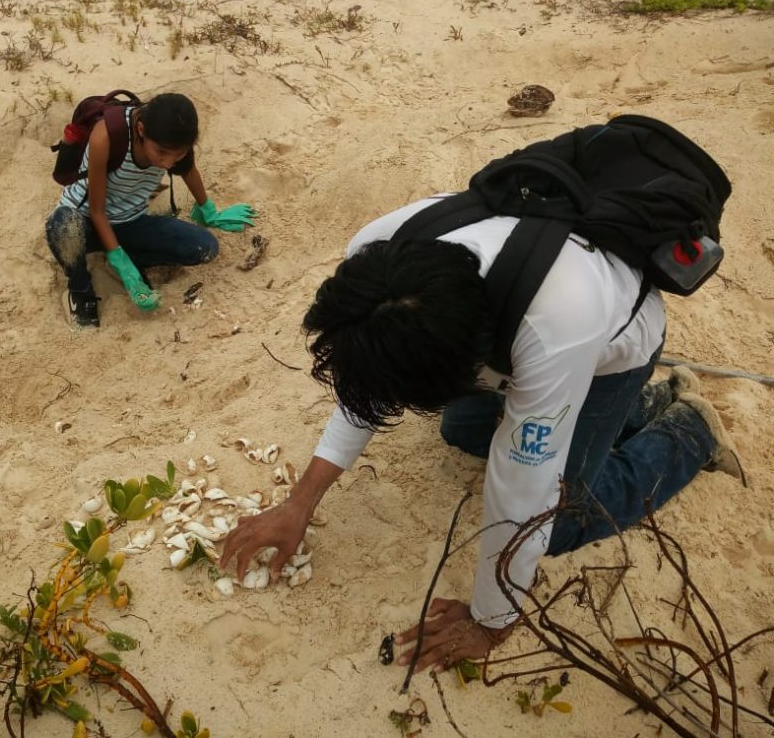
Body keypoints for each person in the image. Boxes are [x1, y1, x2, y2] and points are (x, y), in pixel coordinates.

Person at [220, 193, 743, 673]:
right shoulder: (376, 262)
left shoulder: (553, 333)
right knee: (463, 432)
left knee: (558, 523)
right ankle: (642, 406)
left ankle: (690, 433)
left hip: (613, 348)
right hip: (515, 322)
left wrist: (493, 621)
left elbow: (523, 494)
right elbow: (372, 378)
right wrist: (300, 502)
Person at [45, 92, 255, 327]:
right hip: (88, 221)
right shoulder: (106, 137)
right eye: (161, 153)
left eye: (178, 154)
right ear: (142, 130)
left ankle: (132, 257)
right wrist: (120, 263)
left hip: (131, 221)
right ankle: (80, 290)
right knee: (61, 225)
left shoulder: (175, 139)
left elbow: (187, 169)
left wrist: (208, 210)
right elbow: (97, 211)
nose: (167, 163)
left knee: (205, 248)